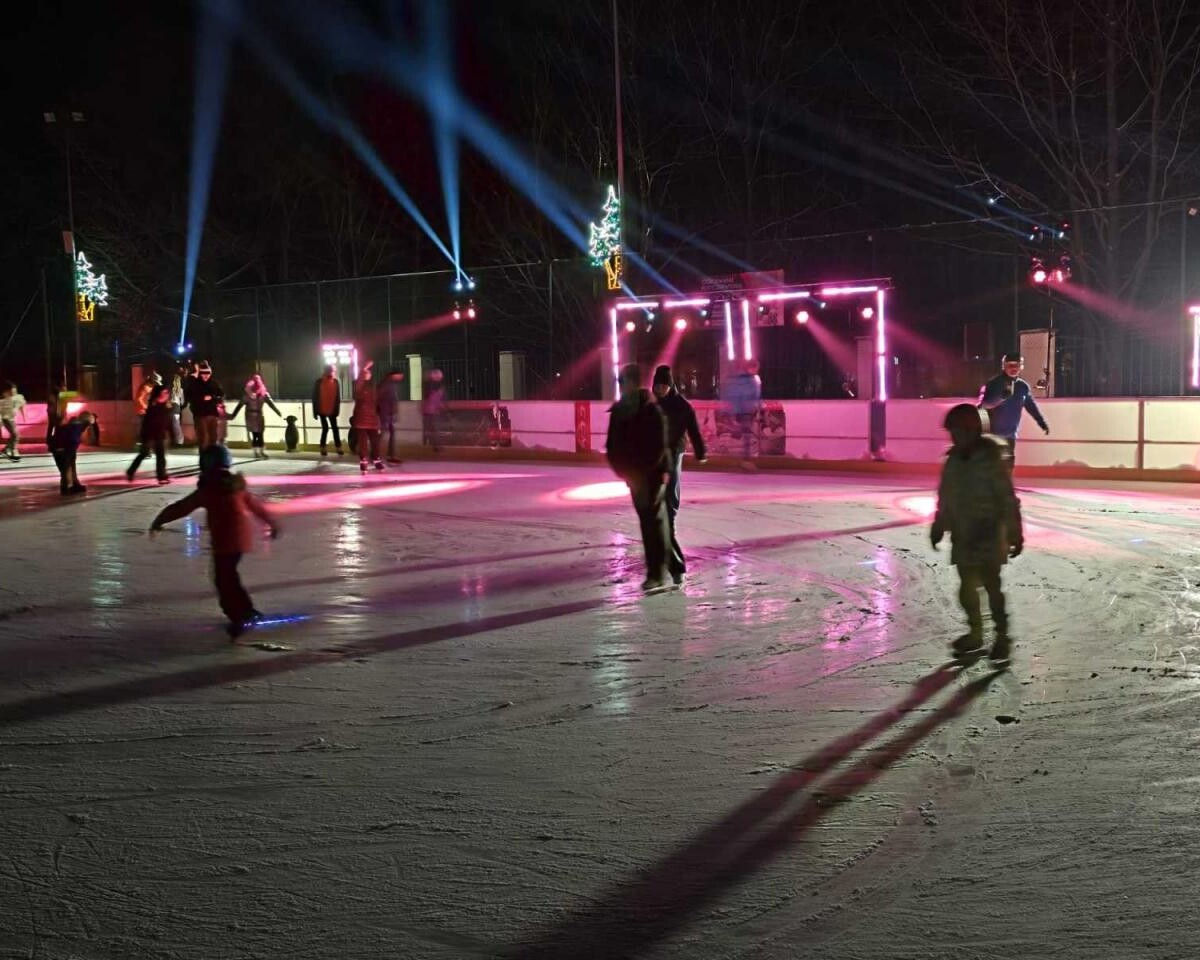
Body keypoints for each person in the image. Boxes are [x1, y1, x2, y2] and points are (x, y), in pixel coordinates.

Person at [150, 444, 280, 639]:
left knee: (224, 580)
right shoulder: (235, 486)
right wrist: (272, 524)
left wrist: (160, 520)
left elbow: (182, 507)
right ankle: (246, 610)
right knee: (230, 577)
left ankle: (239, 616)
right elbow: (256, 507)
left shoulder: (209, 489)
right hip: (240, 540)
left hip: (225, 542)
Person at [931, 403, 1024, 665]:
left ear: (973, 431)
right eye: (952, 433)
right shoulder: (953, 461)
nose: (954, 438)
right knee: (966, 587)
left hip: (989, 533)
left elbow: (1007, 499)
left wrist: (1015, 533)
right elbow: (945, 497)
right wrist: (939, 525)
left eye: (958, 432)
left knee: (992, 585)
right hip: (963, 533)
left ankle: (1002, 636)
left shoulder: (991, 460)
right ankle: (975, 632)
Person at [606, 363, 672, 593]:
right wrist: (627, 473)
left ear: (633, 382)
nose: (621, 387)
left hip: (651, 475)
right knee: (649, 521)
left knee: (654, 520)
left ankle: (658, 571)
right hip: (636, 477)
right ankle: (656, 571)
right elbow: (612, 447)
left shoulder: (650, 409)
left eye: (623, 382)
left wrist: (646, 473)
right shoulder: (621, 411)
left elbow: (659, 446)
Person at [652, 365, 708, 585]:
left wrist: (701, 451)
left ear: (671, 385)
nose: (661, 389)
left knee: (668, 507)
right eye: (658, 385)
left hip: (673, 453)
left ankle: (673, 563)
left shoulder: (682, 406)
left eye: (664, 385)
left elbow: (693, 429)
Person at [978, 352, 1049, 468]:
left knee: (1008, 466)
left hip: (1010, 435)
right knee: (993, 467)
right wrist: (1001, 398)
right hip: (992, 435)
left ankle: (1005, 485)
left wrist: (1042, 422)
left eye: (1016, 365)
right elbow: (984, 405)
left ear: (1021, 366)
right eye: (1010, 365)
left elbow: (1031, 406)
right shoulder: (993, 383)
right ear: (1003, 366)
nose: (1013, 368)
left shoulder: (1023, 387)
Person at [228, 373, 282, 460]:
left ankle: (258, 451)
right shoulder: (254, 395)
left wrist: (277, 411)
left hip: (256, 415)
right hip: (253, 416)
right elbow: (240, 404)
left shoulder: (260, 394)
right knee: (257, 434)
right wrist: (277, 412)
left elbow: (270, 403)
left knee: (258, 434)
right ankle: (258, 451)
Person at [126, 384, 172, 484]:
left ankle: (162, 476)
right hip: (149, 434)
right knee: (144, 453)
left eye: (167, 393)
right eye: (164, 393)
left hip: (160, 434)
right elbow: (148, 422)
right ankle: (130, 471)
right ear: (158, 394)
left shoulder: (167, 406)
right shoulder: (153, 405)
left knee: (161, 456)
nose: (166, 395)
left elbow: (168, 421)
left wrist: (170, 432)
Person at [49, 409, 96, 496]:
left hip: (61, 448)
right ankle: (66, 487)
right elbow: (72, 439)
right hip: (63, 449)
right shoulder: (77, 427)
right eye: (89, 425)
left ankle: (74, 484)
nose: (88, 428)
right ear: (86, 423)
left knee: (69, 467)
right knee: (66, 468)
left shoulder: (73, 425)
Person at [725, 359, 762, 467]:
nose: (756, 371)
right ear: (751, 368)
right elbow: (755, 395)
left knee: (745, 434)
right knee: (746, 435)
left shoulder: (745, 379)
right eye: (755, 368)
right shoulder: (751, 380)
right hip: (745, 410)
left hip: (742, 410)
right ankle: (745, 460)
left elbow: (732, 393)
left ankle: (744, 460)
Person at [352, 361, 384, 474]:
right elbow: (359, 382)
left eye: (369, 373)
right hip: (361, 419)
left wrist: (378, 418)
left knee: (375, 442)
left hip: (372, 419)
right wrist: (364, 368)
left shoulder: (373, 387)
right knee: (363, 443)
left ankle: (376, 460)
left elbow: (377, 404)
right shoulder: (359, 387)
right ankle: (364, 462)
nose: (368, 374)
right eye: (366, 373)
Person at [184, 361, 224, 451]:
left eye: (207, 373)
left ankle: (212, 458)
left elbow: (221, 395)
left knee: (213, 437)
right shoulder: (194, 384)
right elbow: (189, 397)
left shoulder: (214, 384)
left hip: (212, 413)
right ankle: (204, 459)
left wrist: (212, 398)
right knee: (203, 438)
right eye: (203, 373)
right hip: (200, 414)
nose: (205, 375)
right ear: (200, 373)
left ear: (211, 373)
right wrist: (201, 398)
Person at [311, 364, 344, 457]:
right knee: (331, 428)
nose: (332, 372)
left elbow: (337, 397)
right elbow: (315, 397)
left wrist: (315, 411)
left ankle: (325, 447)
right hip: (324, 409)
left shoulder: (333, 382)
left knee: (329, 428)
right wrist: (315, 411)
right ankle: (334, 447)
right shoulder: (323, 382)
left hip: (328, 409)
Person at [377, 369, 405, 463]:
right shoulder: (386, 384)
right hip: (385, 413)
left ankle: (390, 455)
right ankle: (376, 454)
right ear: (394, 375)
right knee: (382, 433)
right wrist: (383, 409)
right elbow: (379, 397)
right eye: (400, 375)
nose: (401, 377)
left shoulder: (390, 383)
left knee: (389, 433)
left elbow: (392, 399)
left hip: (388, 413)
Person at [0, 381, 26, 461]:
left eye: (14, 391)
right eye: (11, 391)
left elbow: (21, 406)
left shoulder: (18, 397)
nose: (13, 393)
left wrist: (24, 416)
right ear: (6, 392)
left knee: (14, 435)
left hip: (11, 419)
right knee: (15, 435)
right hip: (6, 419)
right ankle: (14, 450)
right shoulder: (3, 400)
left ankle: (6, 449)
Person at [421, 369, 446, 454]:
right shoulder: (437, 386)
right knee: (435, 429)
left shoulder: (428, 385)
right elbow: (439, 397)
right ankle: (437, 446)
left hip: (429, 410)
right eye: (439, 376)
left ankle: (434, 445)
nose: (440, 377)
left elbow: (426, 396)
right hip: (434, 410)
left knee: (430, 429)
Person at [169, 368, 186, 446]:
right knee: (176, 425)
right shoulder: (181, 390)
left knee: (174, 425)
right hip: (177, 408)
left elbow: (170, 400)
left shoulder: (172, 390)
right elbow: (182, 402)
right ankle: (179, 440)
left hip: (173, 407)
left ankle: (178, 441)